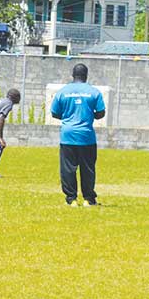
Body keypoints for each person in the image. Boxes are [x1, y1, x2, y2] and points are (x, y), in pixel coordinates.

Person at [50, 64, 105, 207]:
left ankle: (71, 199)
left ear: (72, 75)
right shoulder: (94, 92)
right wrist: (88, 114)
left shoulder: (63, 92)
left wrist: (68, 116)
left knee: (68, 169)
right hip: (86, 136)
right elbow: (101, 113)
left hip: (67, 136)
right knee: (87, 169)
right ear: (86, 75)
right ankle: (88, 199)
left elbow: (55, 113)